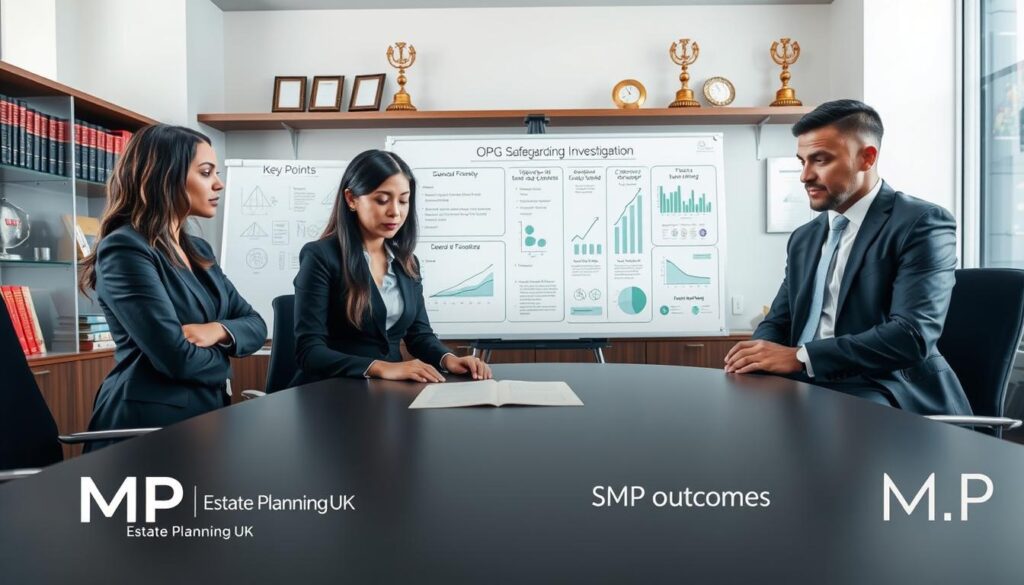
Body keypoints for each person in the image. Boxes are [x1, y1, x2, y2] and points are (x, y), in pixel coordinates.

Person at [724, 99, 971, 416]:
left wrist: (801, 357)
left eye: (820, 160)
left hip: (883, 388)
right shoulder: (805, 238)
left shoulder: (921, 223)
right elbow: (779, 319)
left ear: (867, 158)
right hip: (807, 386)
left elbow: (911, 336)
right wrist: (756, 356)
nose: (805, 176)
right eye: (802, 161)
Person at [80, 124, 267, 442]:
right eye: (206, 172)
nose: (219, 184)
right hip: (147, 424)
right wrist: (227, 356)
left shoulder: (199, 250)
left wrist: (217, 331)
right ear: (165, 176)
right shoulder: (125, 249)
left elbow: (257, 324)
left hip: (204, 415)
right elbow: (175, 358)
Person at [291, 149, 491, 384]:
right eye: (382, 200)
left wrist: (447, 359)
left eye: (404, 200)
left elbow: (419, 335)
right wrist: (379, 367)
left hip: (386, 393)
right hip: (330, 392)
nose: (395, 211)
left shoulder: (406, 262)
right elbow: (309, 351)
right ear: (351, 199)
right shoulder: (321, 256)